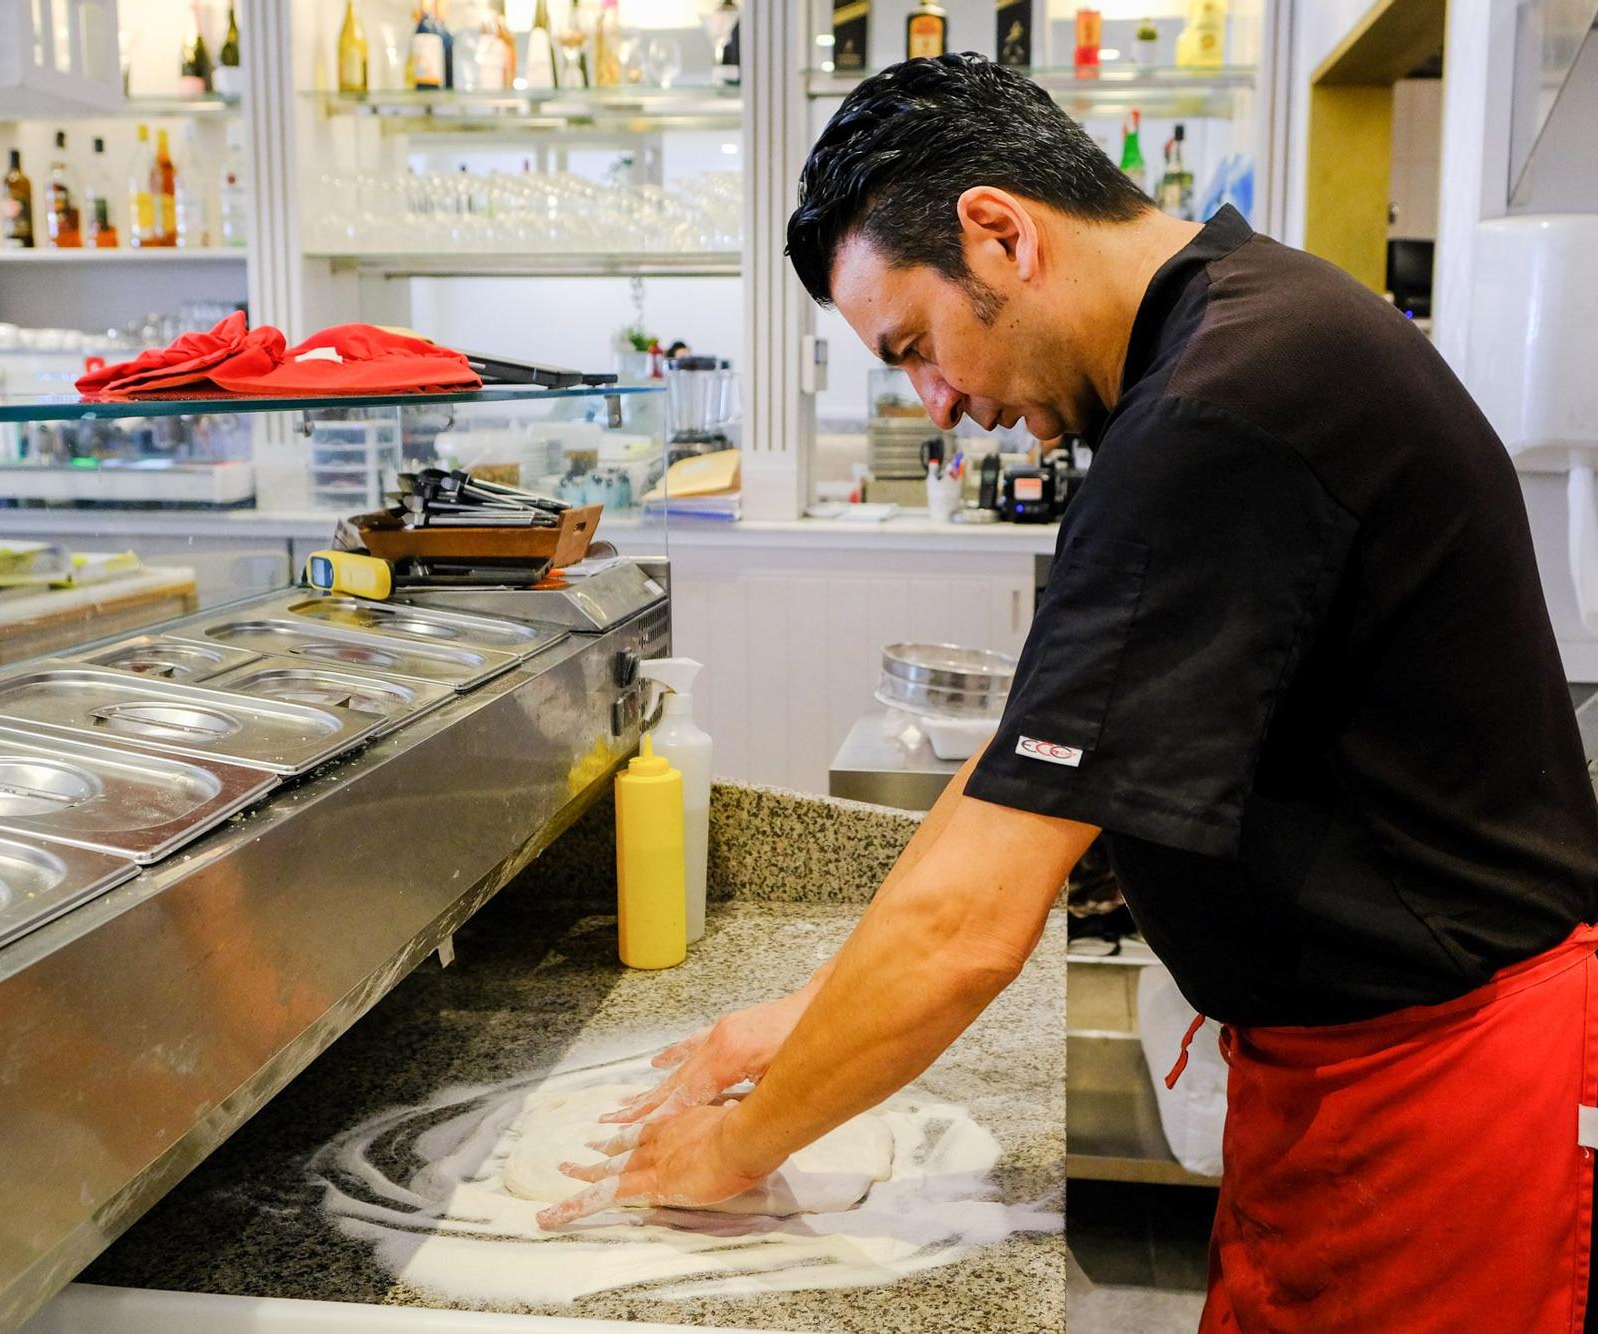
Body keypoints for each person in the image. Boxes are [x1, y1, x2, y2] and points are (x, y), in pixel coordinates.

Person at [539, 53, 1598, 1331]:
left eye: (918, 348)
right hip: (1349, 1069)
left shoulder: (1223, 408)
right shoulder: (1237, 342)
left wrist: (729, 1149)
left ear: (998, 232)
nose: (941, 406)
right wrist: (810, 1011)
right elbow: (1024, 771)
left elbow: (967, 927)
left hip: (1445, 1092)